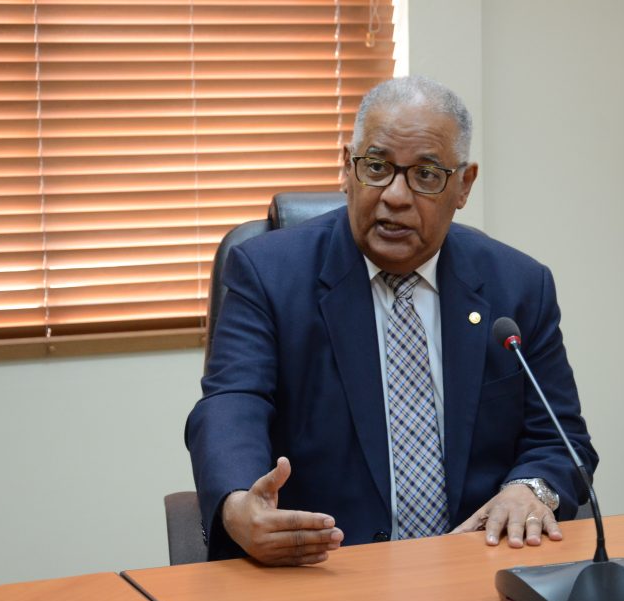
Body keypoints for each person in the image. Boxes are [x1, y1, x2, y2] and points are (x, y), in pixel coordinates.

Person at [186, 76, 597, 565]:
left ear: (464, 185)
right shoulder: (268, 273)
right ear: (348, 168)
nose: (396, 196)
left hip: (478, 565)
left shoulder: (518, 286)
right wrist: (238, 503)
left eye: (426, 175)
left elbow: (560, 436)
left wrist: (530, 489)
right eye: (377, 167)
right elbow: (233, 402)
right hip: (326, 567)